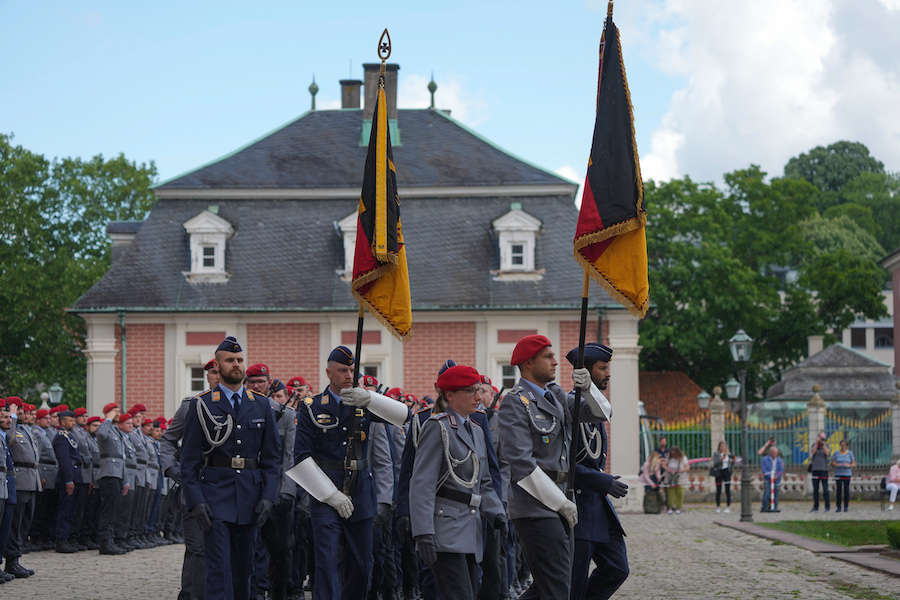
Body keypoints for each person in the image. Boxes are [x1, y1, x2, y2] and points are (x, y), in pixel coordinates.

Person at [289, 345, 409, 600]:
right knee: (327, 561)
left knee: (362, 563)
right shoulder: (312, 407)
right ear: (329, 373)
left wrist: (371, 399)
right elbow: (301, 457)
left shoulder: (363, 403)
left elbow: (403, 416)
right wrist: (330, 495)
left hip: (361, 491)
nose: (348, 375)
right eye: (343, 370)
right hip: (325, 493)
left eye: (352, 370)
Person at [497, 334, 610, 599]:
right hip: (536, 506)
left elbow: (601, 414)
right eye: (547, 357)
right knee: (557, 587)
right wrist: (560, 503)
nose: (555, 362)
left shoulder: (555, 395)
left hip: (560, 500)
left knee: (553, 585)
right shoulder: (516, 402)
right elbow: (522, 465)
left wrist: (589, 388)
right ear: (528, 363)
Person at [181, 336, 281, 600]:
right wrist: (196, 501)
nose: (236, 364)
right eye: (229, 360)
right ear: (218, 364)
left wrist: (269, 497)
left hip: (250, 497)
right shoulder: (202, 404)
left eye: (239, 360)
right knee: (218, 570)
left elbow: (272, 459)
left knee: (245, 570)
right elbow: (189, 461)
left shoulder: (260, 404)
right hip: (214, 497)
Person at [410, 365, 505, 600]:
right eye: (469, 391)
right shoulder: (438, 427)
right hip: (445, 529)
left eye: (478, 390)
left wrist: (497, 512)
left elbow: (483, 482)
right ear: (450, 395)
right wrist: (423, 532)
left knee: (471, 592)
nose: (477, 397)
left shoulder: (476, 429)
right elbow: (422, 483)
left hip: (471, 529)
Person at [565, 343, 629, 600]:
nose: (608, 373)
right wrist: (600, 480)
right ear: (587, 371)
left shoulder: (596, 408)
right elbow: (564, 461)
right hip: (578, 504)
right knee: (573, 582)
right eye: (602, 368)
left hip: (598, 508)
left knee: (617, 569)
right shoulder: (570, 405)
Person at [161, 357, 217, 600]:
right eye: (212, 372)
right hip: (194, 487)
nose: (217, 376)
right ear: (207, 377)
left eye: (219, 371)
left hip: (227, 487)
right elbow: (167, 440)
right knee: (198, 549)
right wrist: (173, 469)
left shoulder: (243, 405)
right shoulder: (191, 405)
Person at [4, 397, 39, 578]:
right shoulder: (12, 429)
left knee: (24, 522)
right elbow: (9, 439)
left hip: (31, 480)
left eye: (21, 411)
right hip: (19, 480)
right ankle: (11, 561)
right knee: (15, 524)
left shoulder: (25, 429)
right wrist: (12, 415)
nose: (21, 414)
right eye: (18, 411)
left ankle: (16, 558)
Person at [95, 402, 129, 556]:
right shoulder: (106, 427)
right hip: (108, 474)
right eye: (115, 411)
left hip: (117, 474)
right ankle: (105, 543)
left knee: (114, 510)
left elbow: (122, 457)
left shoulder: (116, 431)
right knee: (108, 510)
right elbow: (101, 435)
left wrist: (125, 479)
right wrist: (107, 419)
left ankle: (111, 540)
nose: (118, 413)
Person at [52, 410, 82, 553]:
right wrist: (69, 480)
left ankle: (68, 538)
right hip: (67, 478)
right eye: (70, 420)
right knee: (65, 510)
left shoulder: (69, 435)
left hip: (75, 475)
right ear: (63, 422)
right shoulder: (61, 437)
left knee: (71, 510)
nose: (73, 422)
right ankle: (61, 540)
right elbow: (64, 460)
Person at [0, 399, 17, 585]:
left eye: (9, 416)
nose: (9, 420)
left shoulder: (3, 435)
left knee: (6, 526)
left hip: (5, 482)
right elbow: (13, 439)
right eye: (4, 417)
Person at [831, 439, 855, 513]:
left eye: (844, 445)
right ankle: (838, 507)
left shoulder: (850, 453)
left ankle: (846, 506)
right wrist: (837, 464)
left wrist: (849, 465)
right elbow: (832, 463)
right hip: (838, 473)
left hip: (847, 474)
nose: (843, 447)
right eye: (841, 445)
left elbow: (854, 464)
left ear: (846, 446)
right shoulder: (836, 453)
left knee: (846, 490)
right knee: (838, 490)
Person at [809, 431, 830, 512]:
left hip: (824, 470)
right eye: (821, 438)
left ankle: (827, 507)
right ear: (818, 437)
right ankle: (815, 507)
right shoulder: (814, 445)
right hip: (815, 470)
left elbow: (827, 454)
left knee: (825, 490)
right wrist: (817, 443)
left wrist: (823, 444)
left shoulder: (826, 445)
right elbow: (812, 452)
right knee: (815, 490)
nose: (822, 440)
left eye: (824, 438)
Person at [663, 447, 688, 514]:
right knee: (671, 493)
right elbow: (664, 465)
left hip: (680, 477)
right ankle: (670, 507)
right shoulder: (669, 458)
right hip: (671, 477)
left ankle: (678, 507)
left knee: (680, 493)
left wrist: (681, 470)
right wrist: (668, 469)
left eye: (674, 453)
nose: (673, 455)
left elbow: (687, 467)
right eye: (672, 454)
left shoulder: (683, 458)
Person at [711, 441, 733, 513]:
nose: (723, 447)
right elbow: (715, 463)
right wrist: (721, 459)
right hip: (719, 472)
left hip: (727, 472)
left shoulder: (729, 454)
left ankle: (728, 506)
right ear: (719, 447)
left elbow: (732, 463)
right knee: (718, 490)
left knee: (727, 490)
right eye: (721, 446)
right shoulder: (716, 454)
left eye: (724, 446)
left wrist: (732, 461)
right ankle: (718, 507)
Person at [760, 446, 783, 512]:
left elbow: (781, 470)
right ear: (770, 453)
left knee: (776, 493)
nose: (775, 454)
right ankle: (764, 507)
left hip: (776, 479)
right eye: (774, 453)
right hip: (768, 479)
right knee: (767, 493)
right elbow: (764, 470)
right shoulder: (765, 459)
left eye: (776, 453)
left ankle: (775, 507)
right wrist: (771, 477)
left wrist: (777, 476)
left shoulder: (779, 460)